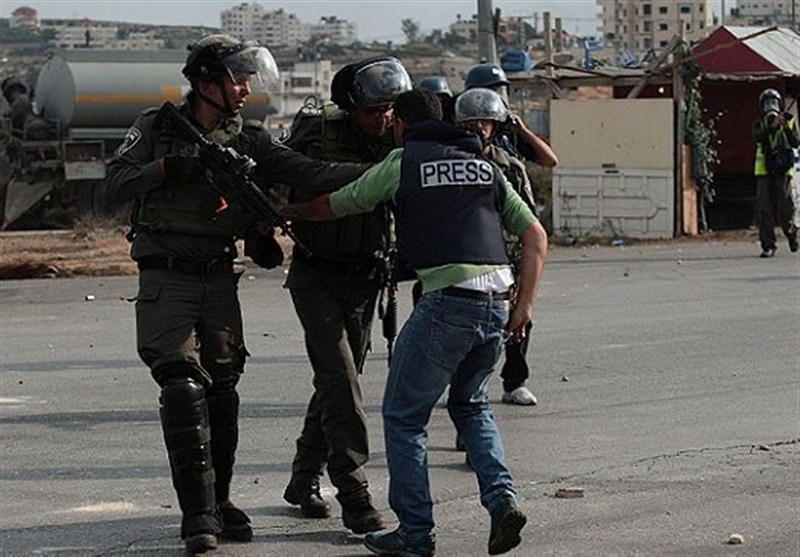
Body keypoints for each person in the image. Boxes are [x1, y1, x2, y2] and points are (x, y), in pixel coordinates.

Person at [98, 34, 368, 554]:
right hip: (167, 275)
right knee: (182, 387)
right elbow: (109, 189)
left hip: (220, 276)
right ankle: (197, 514)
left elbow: (310, 173)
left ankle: (219, 501)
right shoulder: (156, 128)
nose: (246, 89)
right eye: (237, 79)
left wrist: (387, 171)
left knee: (223, 391)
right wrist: (165, 169)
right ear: (206, 82)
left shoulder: (250, 141)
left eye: (248, 79)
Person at [282, 87, 548, 557]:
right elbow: (535, 235)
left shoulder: (405, 161)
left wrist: (288, 211)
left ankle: (416, 532)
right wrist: (524, 306)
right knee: (472, 406)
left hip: (447, 302)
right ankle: (502, 499)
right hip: (496, 304)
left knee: (404, 418)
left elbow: (338, 204)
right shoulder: (484, 166)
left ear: (402, 125)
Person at [279, 56, 412, 533]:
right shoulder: (317, 132)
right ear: (350, 106)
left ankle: (303, 478)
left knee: (338, 381)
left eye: (390, 108)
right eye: (374, 110)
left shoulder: (400, 137)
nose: (384, 118)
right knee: (341, 380)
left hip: (367, 277)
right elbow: (281, 179)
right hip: (316, 273)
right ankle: (354, 494)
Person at [463, 62, 558, 406]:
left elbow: (549, 160)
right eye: (492, 91)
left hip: (511, 240)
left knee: (519, 313)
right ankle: (465, 384)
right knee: (468, 317)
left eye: (501, 91)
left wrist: (521, 129)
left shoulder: (509, 137)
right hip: (473, 244)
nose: (498, 97)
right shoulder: (460, 140)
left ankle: (514, 381)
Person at [752, 88, 798, 258]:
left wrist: (785, 127)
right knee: (764, 209)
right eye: (767, 103)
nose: (770, 106)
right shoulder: (759, 124)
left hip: (783, 171)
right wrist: (772, 127)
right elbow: (758, 138)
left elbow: (795, 142)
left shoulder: (789, 121)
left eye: (773, 102)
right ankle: (768, 245)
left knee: (785, 208)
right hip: (764, 171)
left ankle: (791, 235)